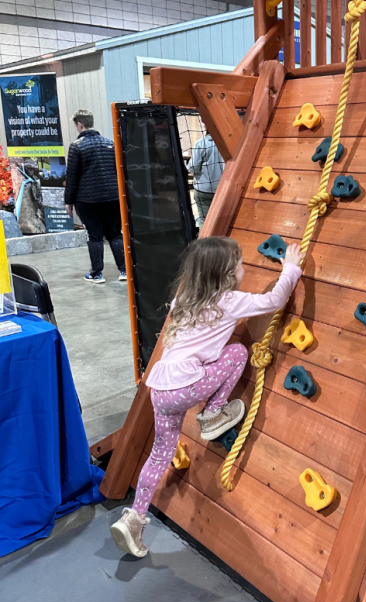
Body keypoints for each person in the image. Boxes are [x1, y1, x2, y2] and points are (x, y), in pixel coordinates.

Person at [110, 236, 304, 557]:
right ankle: (212, 413)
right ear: (227, 273)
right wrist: (291, 270)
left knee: (160, 453)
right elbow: (274, 300)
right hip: (186, 385)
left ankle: (135, 517)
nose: (244, 268)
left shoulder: (184, 298)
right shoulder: (230, 300)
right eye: (240, 264)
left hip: (160, 389)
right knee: (238, 352)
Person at [65, 109, 126, 284]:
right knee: (115, 234)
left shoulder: (77, 147)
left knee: (95, 235)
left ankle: (97, 274)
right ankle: (123, 270)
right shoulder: (110, 144)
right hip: (113, 198)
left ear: (79, 125)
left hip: (88, 200)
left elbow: (72, 177)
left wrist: (68, 201)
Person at [187, 132, 225, 230]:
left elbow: (193, 168)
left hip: (203, 190)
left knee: (204, 222)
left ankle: (203, 244)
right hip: (222, 190)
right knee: (221, 222)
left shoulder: (201, 143)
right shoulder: (227, 144)